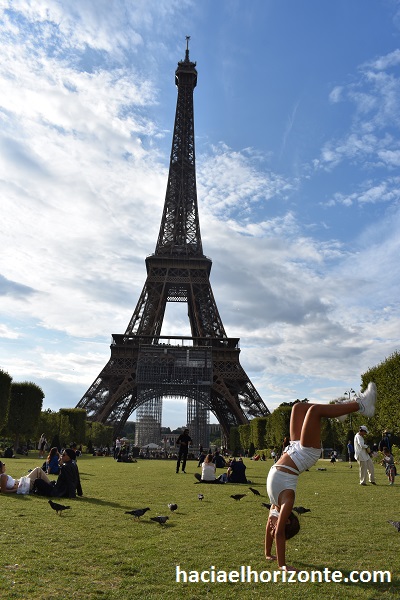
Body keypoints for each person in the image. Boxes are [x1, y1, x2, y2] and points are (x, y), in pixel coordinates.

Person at [265, 382, 376, 571]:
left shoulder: (275, 506)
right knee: (314, 411)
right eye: (276, 527)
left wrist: (268, 553)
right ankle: (361, 406)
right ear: (288, 521)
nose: (271, 527)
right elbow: (278, 535)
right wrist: (282, 565)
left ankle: (341, 410)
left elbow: (271, 532)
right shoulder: (287, 500)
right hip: (306, 453)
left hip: (294, 450)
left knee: (298, 407)